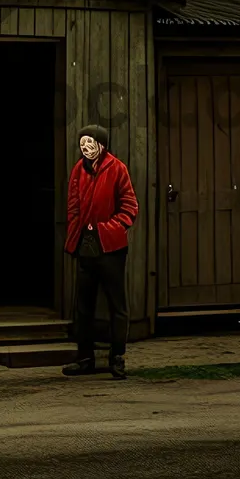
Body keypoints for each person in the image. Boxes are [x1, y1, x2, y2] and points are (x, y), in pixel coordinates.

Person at [62, 123, 139, 379]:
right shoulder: (78, 170)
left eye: (90, 143)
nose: (85, 148)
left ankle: (117, 358)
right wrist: (76, 232)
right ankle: (85, 358)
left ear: (101, 145)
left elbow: (129, 205)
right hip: (86, 245)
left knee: (117, 304)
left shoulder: (117, 169)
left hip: (111, 246)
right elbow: (73, 205)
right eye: (82, 143)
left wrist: (111, 227)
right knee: (83, 304)